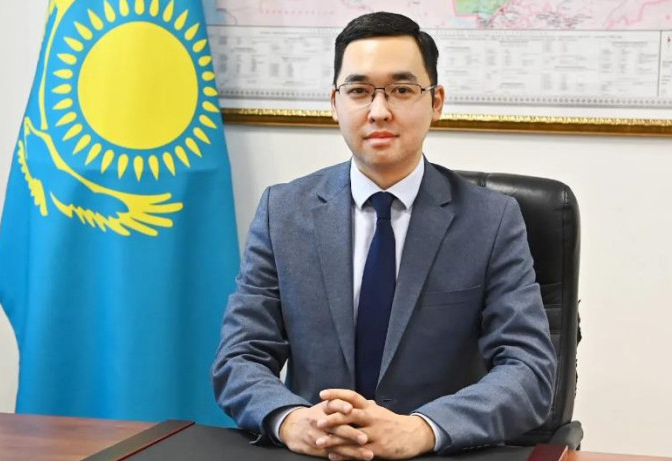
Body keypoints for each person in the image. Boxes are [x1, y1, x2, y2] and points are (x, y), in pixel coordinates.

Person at [212, 12, 556, 460]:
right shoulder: (283, 212)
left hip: (433, 455)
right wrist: (292, 421)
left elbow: (529, 371)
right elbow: (240, 358)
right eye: (359, 91)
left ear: (436, 102)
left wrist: (422, 429)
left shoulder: (491, 221)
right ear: (335, 103)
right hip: (317, 453)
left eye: (402, 90)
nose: (379, 111)